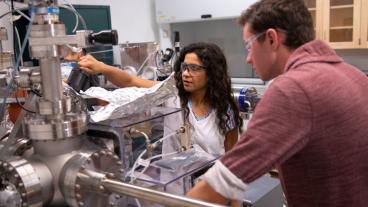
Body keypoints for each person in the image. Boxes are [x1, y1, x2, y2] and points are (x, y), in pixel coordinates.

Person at [186, 0, 368, 206]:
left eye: (248, 45)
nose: (248, 58)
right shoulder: (355, 76)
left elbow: (225, 181)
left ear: (272, 39)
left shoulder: (292, 88)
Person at [78, 42, 243, 155]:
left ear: (212, 73)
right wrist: (102, 68)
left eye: (194, 68)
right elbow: (130, 81)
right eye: (184, 67)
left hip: (209, 191)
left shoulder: (225, 110)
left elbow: (232, 158)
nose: (186, 73)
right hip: (175, 187)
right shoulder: (171, 96)